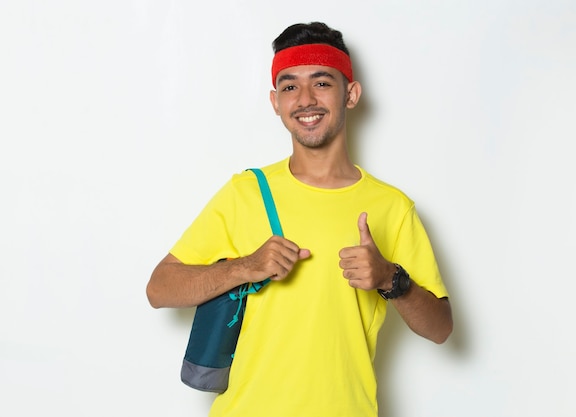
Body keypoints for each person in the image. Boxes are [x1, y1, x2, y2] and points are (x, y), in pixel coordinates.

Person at [147, 21, 453, 417]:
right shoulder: (246, 192)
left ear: (352, 94)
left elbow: (441, 328)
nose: (305, 99)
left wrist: (390, 279)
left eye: (322, 82)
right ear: (276, 102)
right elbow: (159, 288)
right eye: (290, 86)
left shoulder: (392, 207)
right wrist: (245, 267)